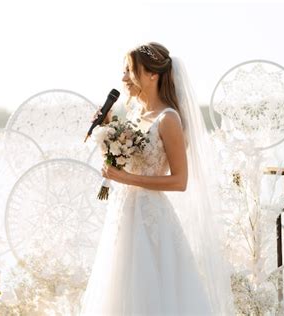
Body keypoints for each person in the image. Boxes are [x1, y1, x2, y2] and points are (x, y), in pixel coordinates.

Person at [80, 43, 233, 315]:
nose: (124, 77)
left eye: (130, 71)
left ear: (153, 75)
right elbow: (125, 161)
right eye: (124, 71)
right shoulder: (136, 115)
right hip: (123, 215)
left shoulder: (168, 119)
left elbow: (179, 181)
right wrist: (107, 130)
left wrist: (126, 178)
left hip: (151, 219)